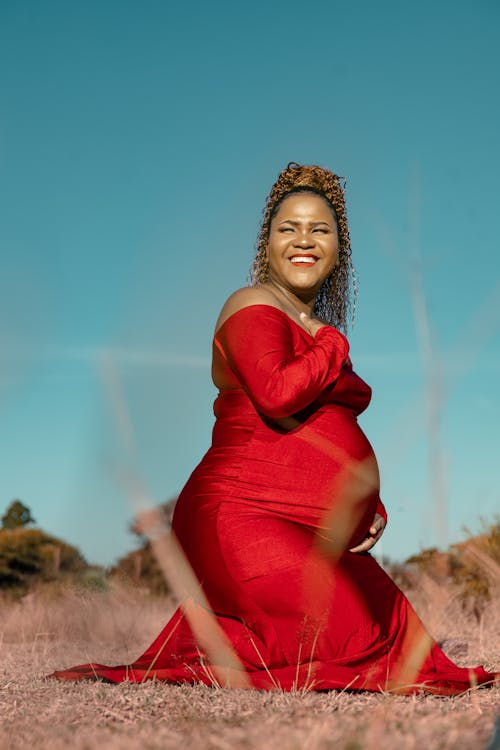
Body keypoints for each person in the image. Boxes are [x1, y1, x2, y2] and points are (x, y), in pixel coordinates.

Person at [51, 162, 498, 694]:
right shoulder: (252, 304)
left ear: (340, 248)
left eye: (320, 229)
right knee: (347, 640)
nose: (304, 240)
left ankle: (227, 638)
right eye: (288, 228)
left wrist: (363, 504)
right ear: (267, 244)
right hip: (241, 513)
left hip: (313, 527)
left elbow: (320, 426)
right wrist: (332, 341)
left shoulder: (310, 324)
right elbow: (278, 392)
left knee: (398, 637)